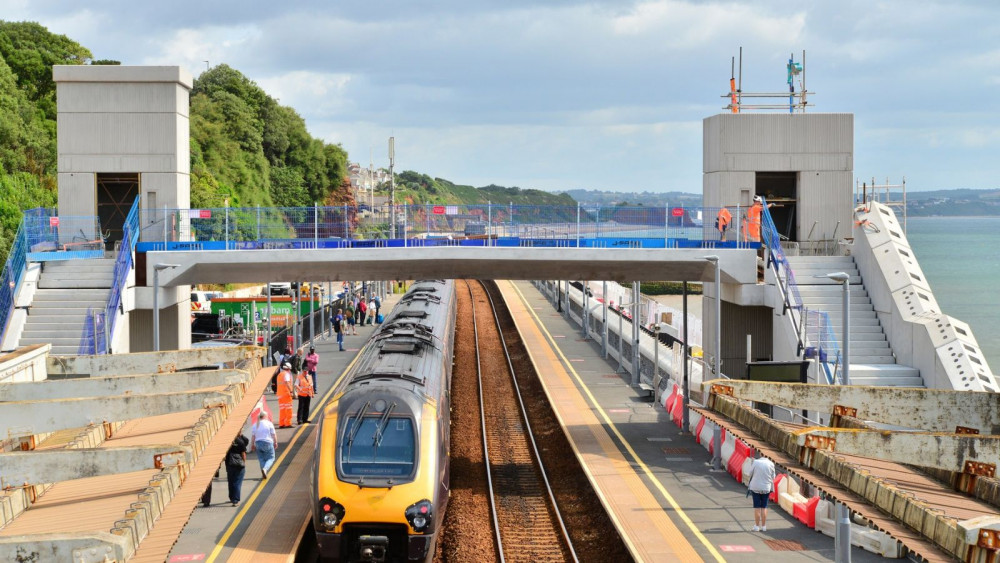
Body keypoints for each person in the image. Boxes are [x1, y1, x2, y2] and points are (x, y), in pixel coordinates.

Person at [746, 452, 777, 531]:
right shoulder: (771, 464)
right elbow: (773, 477)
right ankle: (764, 526)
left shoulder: (756, 462)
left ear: (760, 454)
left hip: (755, 487)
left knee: (757, 507)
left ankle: (756, 526)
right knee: (764, 507)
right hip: (766, 488)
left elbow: (750, 473)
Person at [250, 411, 277, 479]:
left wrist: (252, 444)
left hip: (258, 443)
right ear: (265, 416)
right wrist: (275, 442)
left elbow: (253, 436)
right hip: (267, 442)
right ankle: (265, 469)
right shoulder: (269, 423)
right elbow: (273, 434)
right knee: (271, 458)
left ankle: (264, 473)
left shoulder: (255, 424)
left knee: (261, 459)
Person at [225, 433, 249, 506]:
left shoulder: (227, 441)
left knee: (231, 481)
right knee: (237, 482)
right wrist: (243, 463)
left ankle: (231, 497)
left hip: (229, 464)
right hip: (239, 465)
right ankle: (235, 500)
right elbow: (243, 454)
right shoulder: (240, 441)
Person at [276, 361, 294, 428]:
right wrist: (291, 391)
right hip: (286, 394)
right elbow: (287, 383)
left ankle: (281, 423)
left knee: (282, 409)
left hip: (280, 394)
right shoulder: (286, 374)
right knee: (288, 409)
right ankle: (288, 423)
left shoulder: (280, 374)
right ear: (289, 368)